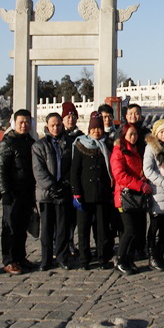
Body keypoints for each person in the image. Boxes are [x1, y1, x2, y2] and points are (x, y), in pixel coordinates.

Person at [70, 112, 114, 270]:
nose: (96, 131)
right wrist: (76, 192)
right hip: (84, 193)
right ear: (89, 130)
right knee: (83, 230)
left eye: (99, 128)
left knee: (102, 229)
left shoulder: (107, 145)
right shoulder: (80, 145)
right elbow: (75, 171)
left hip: (103, 193)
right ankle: (84, 260)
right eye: (93, 129)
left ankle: (103, 258)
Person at [0, 109, 37, 275]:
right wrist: (4, 191)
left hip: (27, 191)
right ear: (14, 123)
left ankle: (20, 257)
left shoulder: (31, 142)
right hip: (12, 192)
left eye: (27, 122)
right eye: (21, 122)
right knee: (10, 227)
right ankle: (9, 260)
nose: (23, 125)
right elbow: (0, 170)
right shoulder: (7, 143)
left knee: (22, 226)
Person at [32, 112, 73, 271]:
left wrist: (65, 184)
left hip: (64, 191)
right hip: (46, 193)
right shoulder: (38, 146)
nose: (56, 128)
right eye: (52, 125)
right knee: (46, 229)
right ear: (47, 126)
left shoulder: (70, 143)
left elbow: (72, 166)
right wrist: (52, 186)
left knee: (63, 228)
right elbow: (39, 170)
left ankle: (62, 257)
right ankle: (46, 259)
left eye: (58, 125)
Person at [111, 123, 152, 275]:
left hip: (136, 196)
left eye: (135, 134)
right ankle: (120, 259)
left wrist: (143, 177)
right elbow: (120, 175)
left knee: (136, 231)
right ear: (124, 136)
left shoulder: (135, 149)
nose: (133, 137)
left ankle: (129, 258)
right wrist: (140, 185)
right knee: (129, 230)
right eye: (130, 135)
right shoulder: (119, 151)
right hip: (125, 196)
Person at [143, 119, 164, 271]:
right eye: (161, 132)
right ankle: (152, 257)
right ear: (156, 133)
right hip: (157, 191)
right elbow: (148, 170)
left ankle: (161, 255)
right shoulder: (151, 147)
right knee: (154, 226)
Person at [61, 101, 83, 257]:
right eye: (67, 117)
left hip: (77, 182)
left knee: (73, 218)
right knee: (62, 218)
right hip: (62, 182)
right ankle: (60, 245)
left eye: (73, 116)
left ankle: (70, 242)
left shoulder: (81, 137)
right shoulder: (59, 136)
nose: (70, 119)